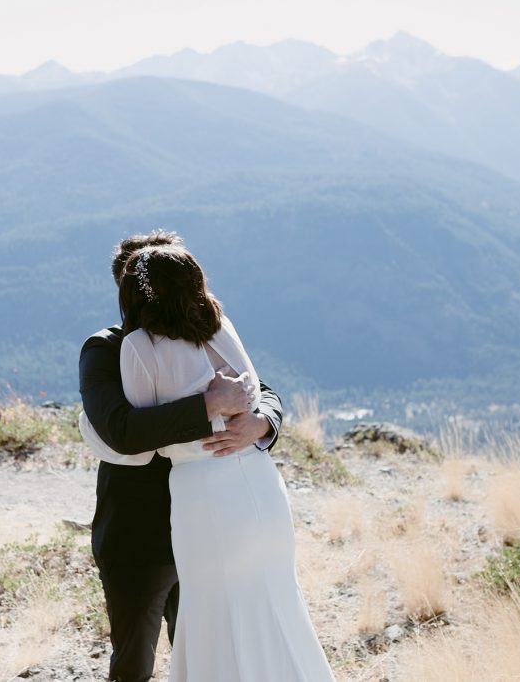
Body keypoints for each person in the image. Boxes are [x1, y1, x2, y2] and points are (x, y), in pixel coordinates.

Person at [115, 243, 334, 681]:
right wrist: (248, 421)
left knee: (214, 614)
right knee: (275, 602)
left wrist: (201, 412)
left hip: (205, 495)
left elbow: (144, 440)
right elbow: (256, 392)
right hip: (260, 483)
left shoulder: (138, 346)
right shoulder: (221, 327)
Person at [78, 231, 284, 682]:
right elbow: (122, 430)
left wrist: (262, 423)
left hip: (212, 520)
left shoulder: (201, 332)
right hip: (139, 529)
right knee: (134, 659)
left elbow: (259, 390)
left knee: (209, 650)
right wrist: (209, 406)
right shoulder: (106, 349)